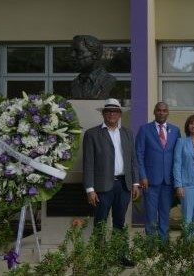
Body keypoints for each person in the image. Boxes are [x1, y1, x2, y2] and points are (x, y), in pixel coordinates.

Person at [83, 98, 140, 268]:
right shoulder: (92, 134)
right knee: (100, 223)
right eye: (108, 111)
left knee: (120, 223)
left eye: (115, 111)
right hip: (102, 187)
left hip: (124, 185)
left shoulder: (127, 133)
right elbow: (88, 163)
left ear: (120, 114)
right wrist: (90, 189)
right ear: (103, 113)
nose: (112, 114)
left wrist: (135, 183)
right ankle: (99, 258)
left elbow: (133, 160)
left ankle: (120, 256)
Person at [135, 102, 181, 241]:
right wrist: (142, 176)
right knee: (150, 214)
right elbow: (139, 154)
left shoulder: (175, 130)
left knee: (165, 212)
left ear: (168, 113)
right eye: (159, 110)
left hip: (168, 180)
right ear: (154, 112)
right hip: (150, 180)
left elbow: (178, 156)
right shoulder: (144, 130)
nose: (161, 113)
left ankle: (163, 242)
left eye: (164, 110)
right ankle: (150, 243)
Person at [70, 35, 116, 99]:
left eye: (78, 52)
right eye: (72, 51)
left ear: (95, 55)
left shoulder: (109, 81)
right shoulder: (74, 84)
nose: (72, 55)